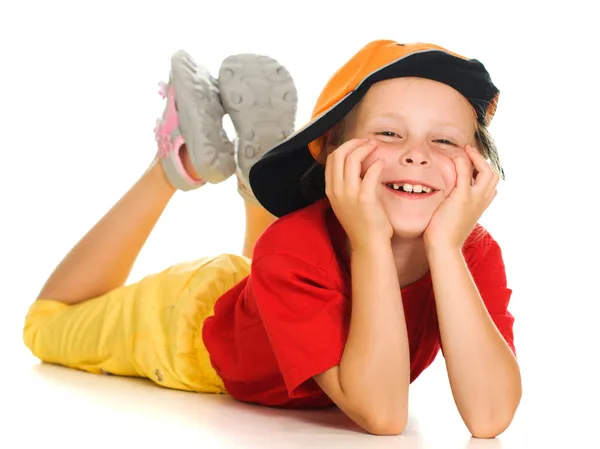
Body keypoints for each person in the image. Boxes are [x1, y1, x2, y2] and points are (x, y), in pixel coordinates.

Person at [23, 40, 522, 438]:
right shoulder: (295, 249)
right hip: (184, 326)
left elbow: (490, 416)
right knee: (46, 324)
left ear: (476, 164)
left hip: (271, 295)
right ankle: (174, 163)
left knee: (279, 263)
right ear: (329, 151)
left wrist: (445, 249)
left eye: (445, 141)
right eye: (390, 134)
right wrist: (370, 241)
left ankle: (252, 182)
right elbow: (384, 414)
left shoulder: (470, 252)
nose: (417, 155)